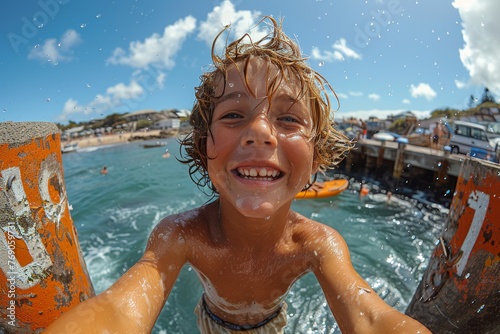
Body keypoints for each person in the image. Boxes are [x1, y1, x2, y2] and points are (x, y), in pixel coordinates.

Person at [45, 16, 430, 333]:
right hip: (210, 322)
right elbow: (119, 310)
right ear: (204, 149)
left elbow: (371, 316)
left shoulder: (317, 244)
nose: (259, 133)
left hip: (272, 323)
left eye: (289, 119)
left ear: (315, 160)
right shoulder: (181, 235)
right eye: (233, 115)